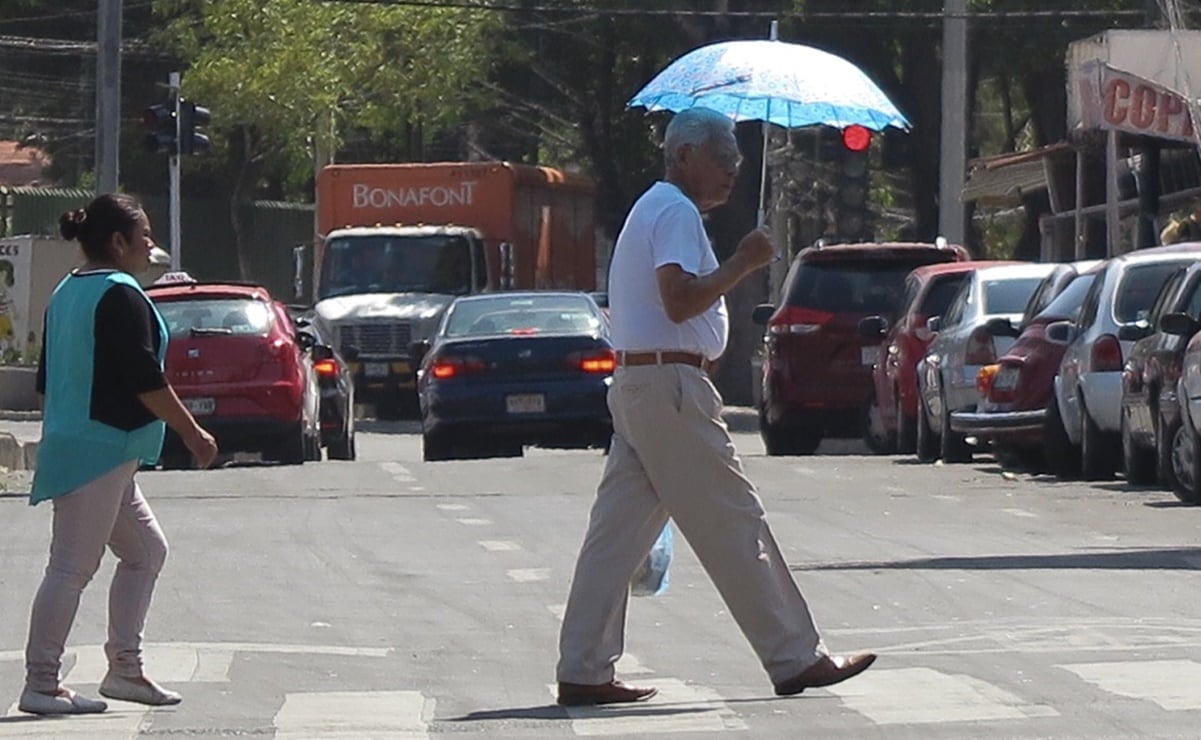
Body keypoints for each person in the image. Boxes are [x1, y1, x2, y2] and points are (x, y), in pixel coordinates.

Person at [554, 107, 876, 706]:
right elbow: (678, 301)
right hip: (670, 387)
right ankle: (795, 656)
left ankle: (583, 667)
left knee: (615, 539)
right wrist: (744, 263)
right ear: (684, 156)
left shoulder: (655, 207)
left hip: (644, 384)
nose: (733, 168)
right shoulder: (675, 210)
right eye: (722, 157)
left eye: (736, 159)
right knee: (735, 518)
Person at [17, 194, 219, 716]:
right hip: (99, 448)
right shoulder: (119, 293)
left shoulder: (69, 289)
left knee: (146, 551)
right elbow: (145, 379)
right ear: (117, 241)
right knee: (70, 567)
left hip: (95, 448)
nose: (150, 244)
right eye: (143, 234)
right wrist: (193, 433)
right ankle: (42, 683)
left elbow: (47, 381)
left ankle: (125, 669)